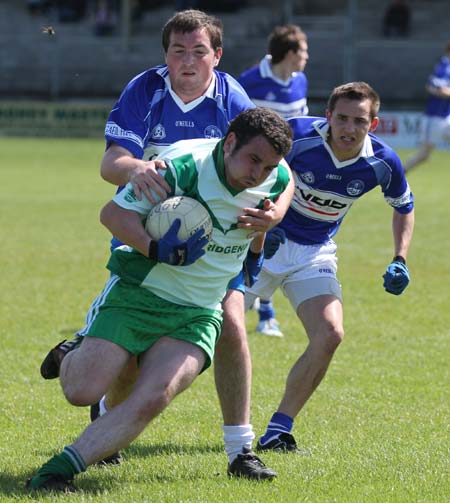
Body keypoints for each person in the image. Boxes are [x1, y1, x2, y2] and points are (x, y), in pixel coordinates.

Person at [39, 9, 293, 476]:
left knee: (234, 324)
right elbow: (111, 162)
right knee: (128, 357)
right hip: (151, 223)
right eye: (179, 51)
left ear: (217, 55)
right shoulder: (146, 90)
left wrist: (273, 213)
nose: (189, 61)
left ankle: (241, 450)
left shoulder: (230, 97)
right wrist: (140, 169)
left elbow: (274, 166)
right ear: (166, 56)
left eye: (200, 51)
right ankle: (92, 373)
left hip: (217, 236)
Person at [242, 82, 415, 452]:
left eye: (359, 121)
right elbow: (249, 172)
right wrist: (263, 221)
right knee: (201, 335)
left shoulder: (383, 162)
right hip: (259, 245)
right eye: (342, 119)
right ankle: (117, 406)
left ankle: (277, 430)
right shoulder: (297, 136)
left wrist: (399, 257)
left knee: (330, 333)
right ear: (328, 117)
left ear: (374, 123)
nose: (349, 129)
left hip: (313, 253)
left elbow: (403, 206)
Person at [238, 24, 309, 337]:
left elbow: (300, 126)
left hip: (284, 174)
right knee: (250, 234)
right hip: (252, 173)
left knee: (273, 237)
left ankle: (266, 313)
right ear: (291, 53)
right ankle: (255, 306)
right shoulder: (251, 80)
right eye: (304, 51)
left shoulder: (300, 81)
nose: (307, 57)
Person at [403, 40, 450, 173]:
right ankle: (398, 174)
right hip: (434, 118)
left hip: (445, 116)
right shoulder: (444, 67)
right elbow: (438, 89)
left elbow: (431, 86)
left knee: (424, 155)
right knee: (423, 155)